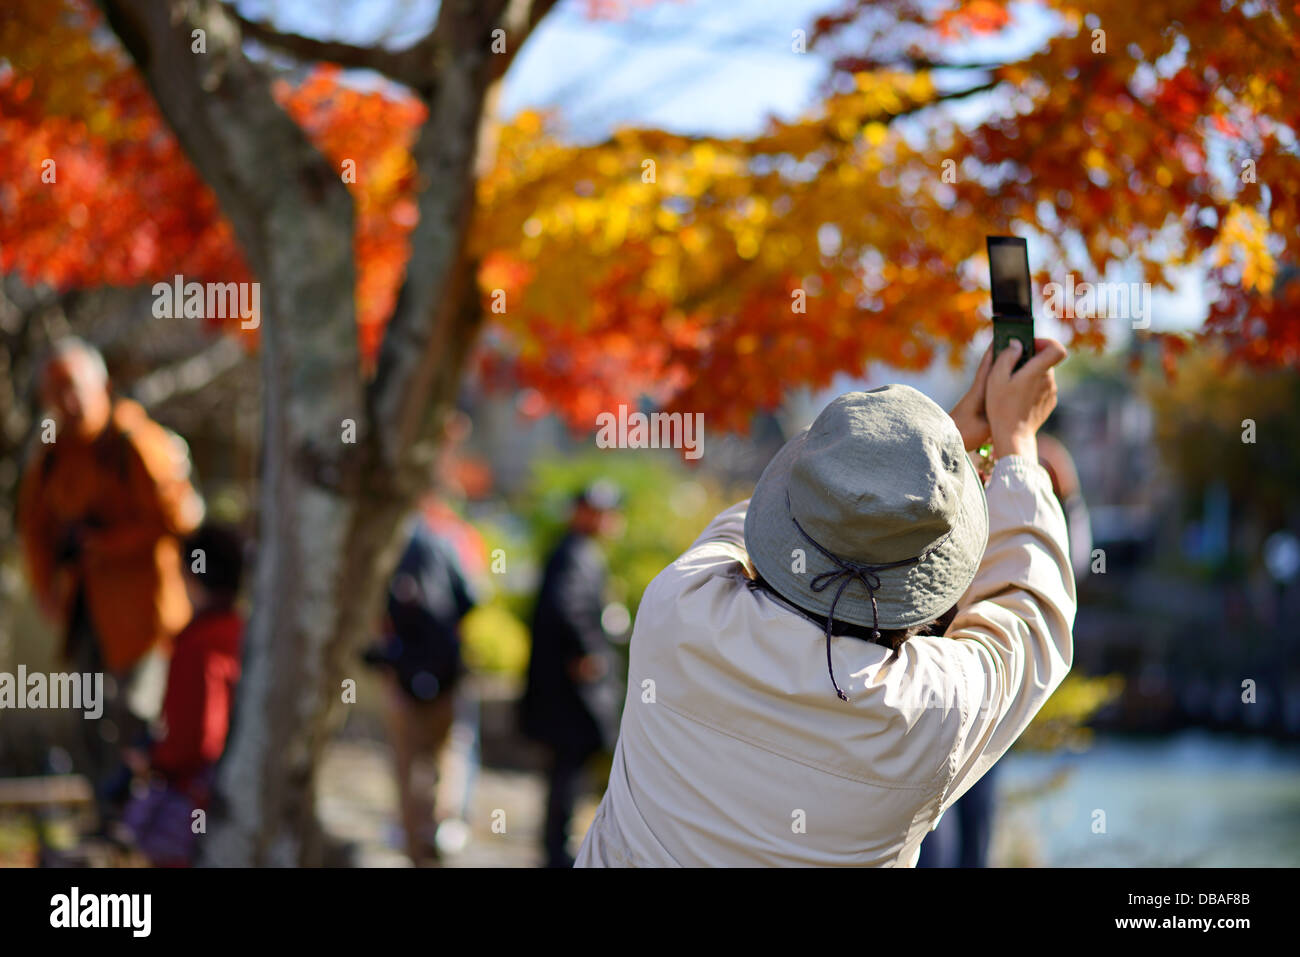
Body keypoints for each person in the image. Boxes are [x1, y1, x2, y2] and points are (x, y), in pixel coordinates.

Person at [576, 338, 1075, 866]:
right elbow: (1028, 609)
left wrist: (917, 453)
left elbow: (756, 525)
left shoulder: (677, 609)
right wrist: (1009, 448)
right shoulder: (928, 712)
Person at [17, 338, 204, 826]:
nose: (68, 402)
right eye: (55, 392)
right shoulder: (56, 454)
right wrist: (45, 587)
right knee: (86, 717)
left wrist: (109, 543)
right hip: (88, 612)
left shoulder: (133, 443)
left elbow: (180, 517)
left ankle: (151, 824)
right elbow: (35, 527)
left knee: (138, 719)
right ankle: (109, 821)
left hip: (143, 615)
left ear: (102, 386)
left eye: (73, 388)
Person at [917, 416, 1093, 867]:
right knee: (939, 837)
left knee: (971, 831)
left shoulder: (1039, 469)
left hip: (960, 677)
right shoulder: (969, 476)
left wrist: (1063, 493)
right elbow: (1047, 583)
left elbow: (1071, 565)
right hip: (947, 672)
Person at [122, 523, 244, 866]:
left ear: (192, 576)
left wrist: (156, 762)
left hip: (195, 798)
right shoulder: (242, 633)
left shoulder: (198, 644)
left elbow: (198, 736)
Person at [365, 502, 480, 865]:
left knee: (407, 762)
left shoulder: (388, 552)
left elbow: (377, 619)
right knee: (447, 754)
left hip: (402, 677)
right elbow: (471, 598)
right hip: (445, 676)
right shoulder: (448, 544)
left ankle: (417, 842)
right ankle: (441, 823)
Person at [521, 480, 623, 868]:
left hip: (563, 695)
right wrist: (585, 652)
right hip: (569, 696)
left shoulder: (577, 552)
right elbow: (568, 607)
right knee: (565, 774)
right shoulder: (574, 554)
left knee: (566, 774)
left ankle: (559, 851)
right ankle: (557, 854)